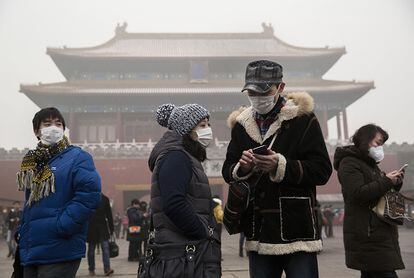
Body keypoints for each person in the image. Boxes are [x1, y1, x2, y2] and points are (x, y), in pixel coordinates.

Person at [222, 60, 332, 278]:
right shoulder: (242, 126)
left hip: (296, 228)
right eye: (251, 91)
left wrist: (280, 165)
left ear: (280, 87)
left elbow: (322, 170)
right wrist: (242, 167)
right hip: (258, 228)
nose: (257, 97)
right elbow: (228, 170)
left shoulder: (303, 120)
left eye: (264, 90)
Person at [16, 107, 101, 278]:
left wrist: (63, 225)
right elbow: (30, 203)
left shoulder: (77, 157)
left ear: (63, 129)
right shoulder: (32, 162)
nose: (53, 127)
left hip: (60, 247)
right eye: (47, 124)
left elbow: (89, 195)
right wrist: (23, 230)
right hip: (32, 248)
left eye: (58, 123)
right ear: (37, 131)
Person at [147, 103, 222, 276]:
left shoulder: (185, 156)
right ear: (186, 129)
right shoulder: (176, 157)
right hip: (181, 253)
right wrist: (202, 232)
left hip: (185, 250)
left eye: (208, 124)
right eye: (202, 125)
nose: (208, 129)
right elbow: (174, 203)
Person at [334, 124, 405, 278]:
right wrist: (386, 181)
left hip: (378, 233)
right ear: (365, 140)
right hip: (368, 235)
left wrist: (395, 183)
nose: (380, 148)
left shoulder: (370, 165)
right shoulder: (349, 163)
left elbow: (378, 193)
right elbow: (357, 193)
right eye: (377, 143)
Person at [87, 193, 114, 276]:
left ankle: (107, 268)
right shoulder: (88, 197)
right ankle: (91, 269)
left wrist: (111, 228)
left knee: (105, 249)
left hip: (102, 228)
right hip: (91, 228)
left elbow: (109, 214)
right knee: (91, 250)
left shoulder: (105, 199)